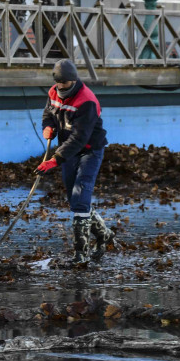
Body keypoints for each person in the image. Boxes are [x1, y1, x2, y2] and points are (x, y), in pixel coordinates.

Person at [35, 59, 113, 264]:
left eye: (65, 84)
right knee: (75, 200)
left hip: (89, 151)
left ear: (73, 80)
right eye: (58, 83)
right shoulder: (53, 92)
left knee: (80, 195)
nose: (61, 87)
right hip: (68, 151)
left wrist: (54, 160)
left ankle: (80, 254)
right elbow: (48, 113)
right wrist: (47, 125)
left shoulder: (87, 100)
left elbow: (79, 138)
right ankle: (104, 235)